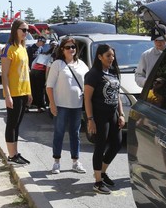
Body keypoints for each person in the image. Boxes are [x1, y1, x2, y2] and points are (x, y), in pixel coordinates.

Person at [84, 44, 125, 195]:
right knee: (100, 146)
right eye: (108, 56)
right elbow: (87, 99)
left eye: (112, 55)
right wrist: (90, 119)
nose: (111, 58)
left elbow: (117, 94)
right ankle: (97, 182)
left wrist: (121, 114)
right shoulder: (93, 74)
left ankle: (102, 172)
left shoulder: (113, 72)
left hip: (113, 114)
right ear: (100, 57)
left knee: (117, 144)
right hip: (99, 116)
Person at [46, 36, 89, 175]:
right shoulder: (58, 64)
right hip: (61, 105)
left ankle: (75, 161)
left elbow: (87, 84)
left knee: (75, 134)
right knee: (59, 133)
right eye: (68, 47)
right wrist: (52, 104)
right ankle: (56, 162)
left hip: (77, 105)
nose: (71, 49)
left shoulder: (81, 64)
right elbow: (49, 86)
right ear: (62, 49)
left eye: (73, 47)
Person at [1, 18, 32, 165]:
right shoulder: (9, 48)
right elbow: (5, 75)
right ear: (15, 30)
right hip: (13, 93)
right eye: (23, 30)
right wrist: (7, 95)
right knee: (12, 124)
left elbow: (26, 72)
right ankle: (11, 155)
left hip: (23, 92)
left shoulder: (22, 47)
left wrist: (29, 93)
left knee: (17, 124)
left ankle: (15, 153)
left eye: (27, 30)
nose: (26, 33)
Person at [30, 40, 58, 112]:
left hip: (33, 71)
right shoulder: (53, 56)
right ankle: (41, 106)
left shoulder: (42, 54)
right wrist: (47, 79)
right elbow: (48, 67)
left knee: (34, 89)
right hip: (41, 72)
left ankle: (32, 104)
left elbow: (33, 63)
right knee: (41, 90)